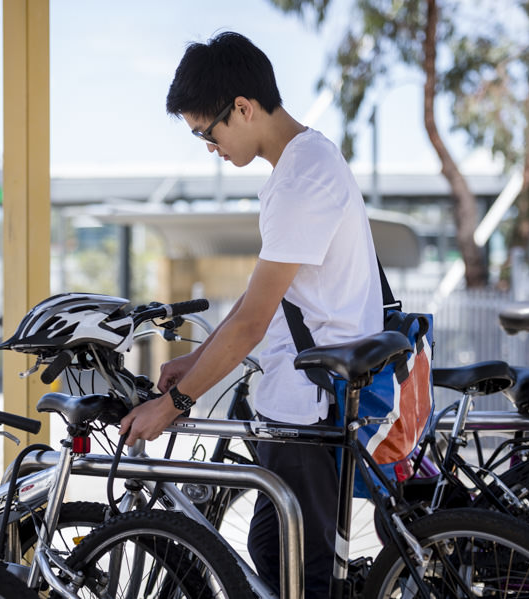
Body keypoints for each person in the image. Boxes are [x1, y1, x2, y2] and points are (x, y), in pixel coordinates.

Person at [118, 31, 383, 598]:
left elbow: (252, 322)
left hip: (309, 406)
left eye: (206, 133)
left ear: (242, 107)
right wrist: (193, 363)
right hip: (296, 398)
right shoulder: (302, 163)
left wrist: (175, 404)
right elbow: (269, 294)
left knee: (310, 576)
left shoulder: (300, 180)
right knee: (270, 550)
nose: (208, 147)